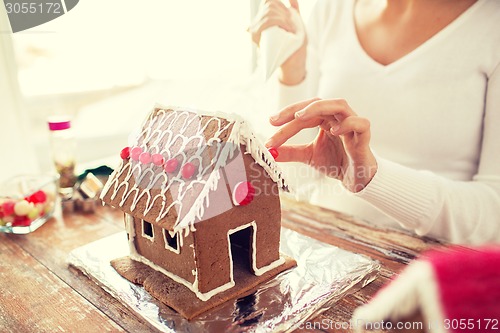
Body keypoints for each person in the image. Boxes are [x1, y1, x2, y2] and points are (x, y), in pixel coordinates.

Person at [249, 0, 500, 244]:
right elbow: (296, 181)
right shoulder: (331, 10)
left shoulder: (491, 27)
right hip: (324, 249)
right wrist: (292, 73)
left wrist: (373, 178)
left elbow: (493, 218)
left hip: (424, 270)